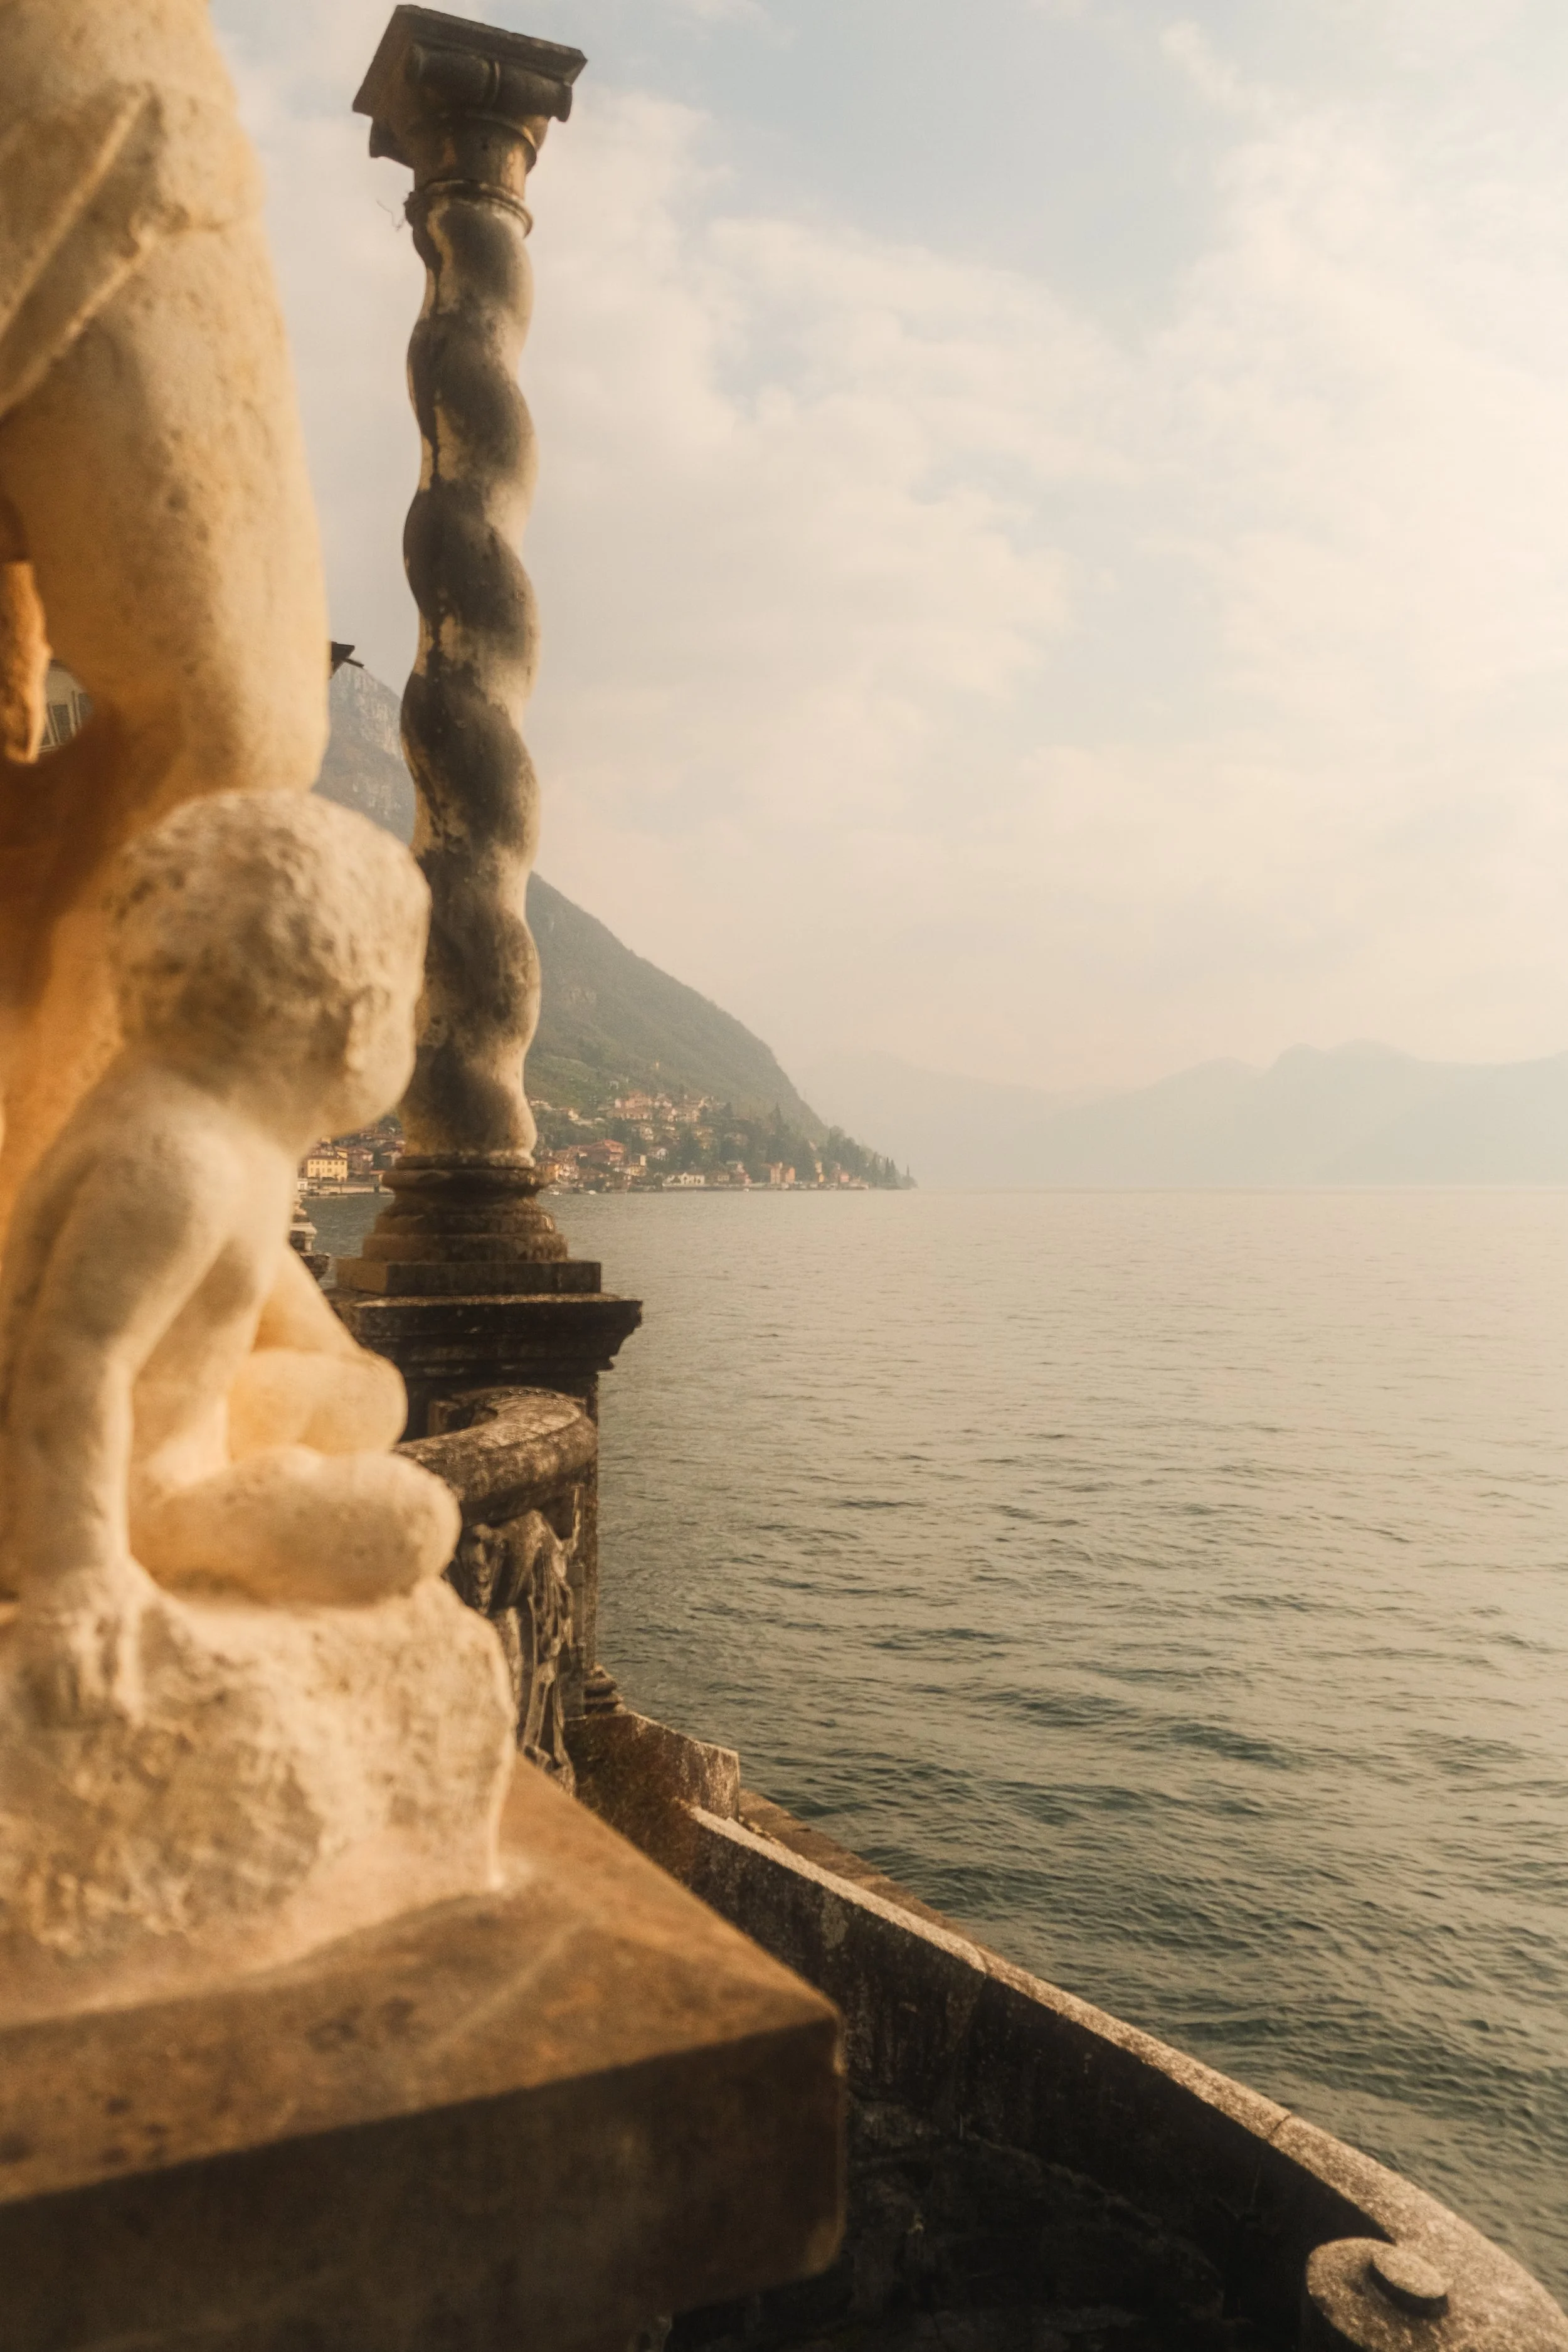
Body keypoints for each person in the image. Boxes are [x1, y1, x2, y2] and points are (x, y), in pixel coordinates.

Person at [0, 792, 457, 1720]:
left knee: (372, 1399)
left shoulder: (226, 1146)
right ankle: (209, 1528)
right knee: (416, 1521)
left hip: (184, 1447)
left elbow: (304, 1333)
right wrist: (84, 1575)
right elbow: (71, 1361)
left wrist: (345, 1385)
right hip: (141, 1499)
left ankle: (249, 1498)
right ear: (359, 1022)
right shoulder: (184, 1164)